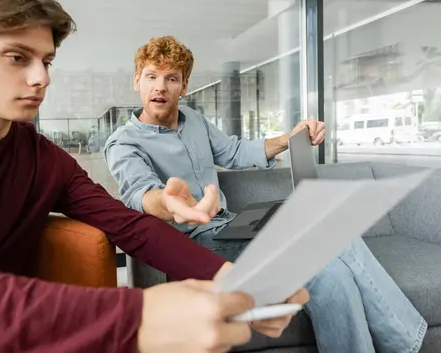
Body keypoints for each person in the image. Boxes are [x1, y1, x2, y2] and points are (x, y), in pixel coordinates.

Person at [0, 0, 310, 353]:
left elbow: (131, 227)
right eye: (16, 57)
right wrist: (136, 318)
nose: (41, 77)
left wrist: (236, 281)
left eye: (46, 60)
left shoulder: (44, 159)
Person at [104, 35, 428, 353]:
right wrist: (170, 203)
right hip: (192, 245)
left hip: (232, 227)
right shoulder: (124, 143)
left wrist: (290, 138)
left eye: (171, 78)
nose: (160, 86)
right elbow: (139, 193)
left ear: (184, 86)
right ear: (137, 80)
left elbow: (234, 152)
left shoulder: (195, 122)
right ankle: (409, 344)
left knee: (332, 274)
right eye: (151, 76)